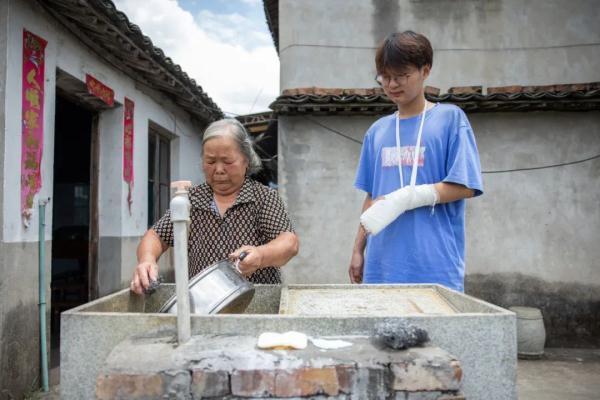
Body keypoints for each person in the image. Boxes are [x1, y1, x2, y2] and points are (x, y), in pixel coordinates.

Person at [348, 31, 483, 292]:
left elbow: (466, 186)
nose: (392, 84)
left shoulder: (451, 120)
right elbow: (371, 198)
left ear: (425, 70)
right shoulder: (376, 131)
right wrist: (357, 249)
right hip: (382, 265)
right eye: (385, 77)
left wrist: (407, 196)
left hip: (434, 265)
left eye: (401, 76)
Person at [130, 119, 299, 295]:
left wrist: (260, 255)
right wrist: (147, 260)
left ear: (246, 160)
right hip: (203, 303)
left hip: (257, 302)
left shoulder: (263, 197)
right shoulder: (191, 200)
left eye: (227, 161)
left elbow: (289, 242)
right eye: (210, 162)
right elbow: (156, 236)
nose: (218, 170)